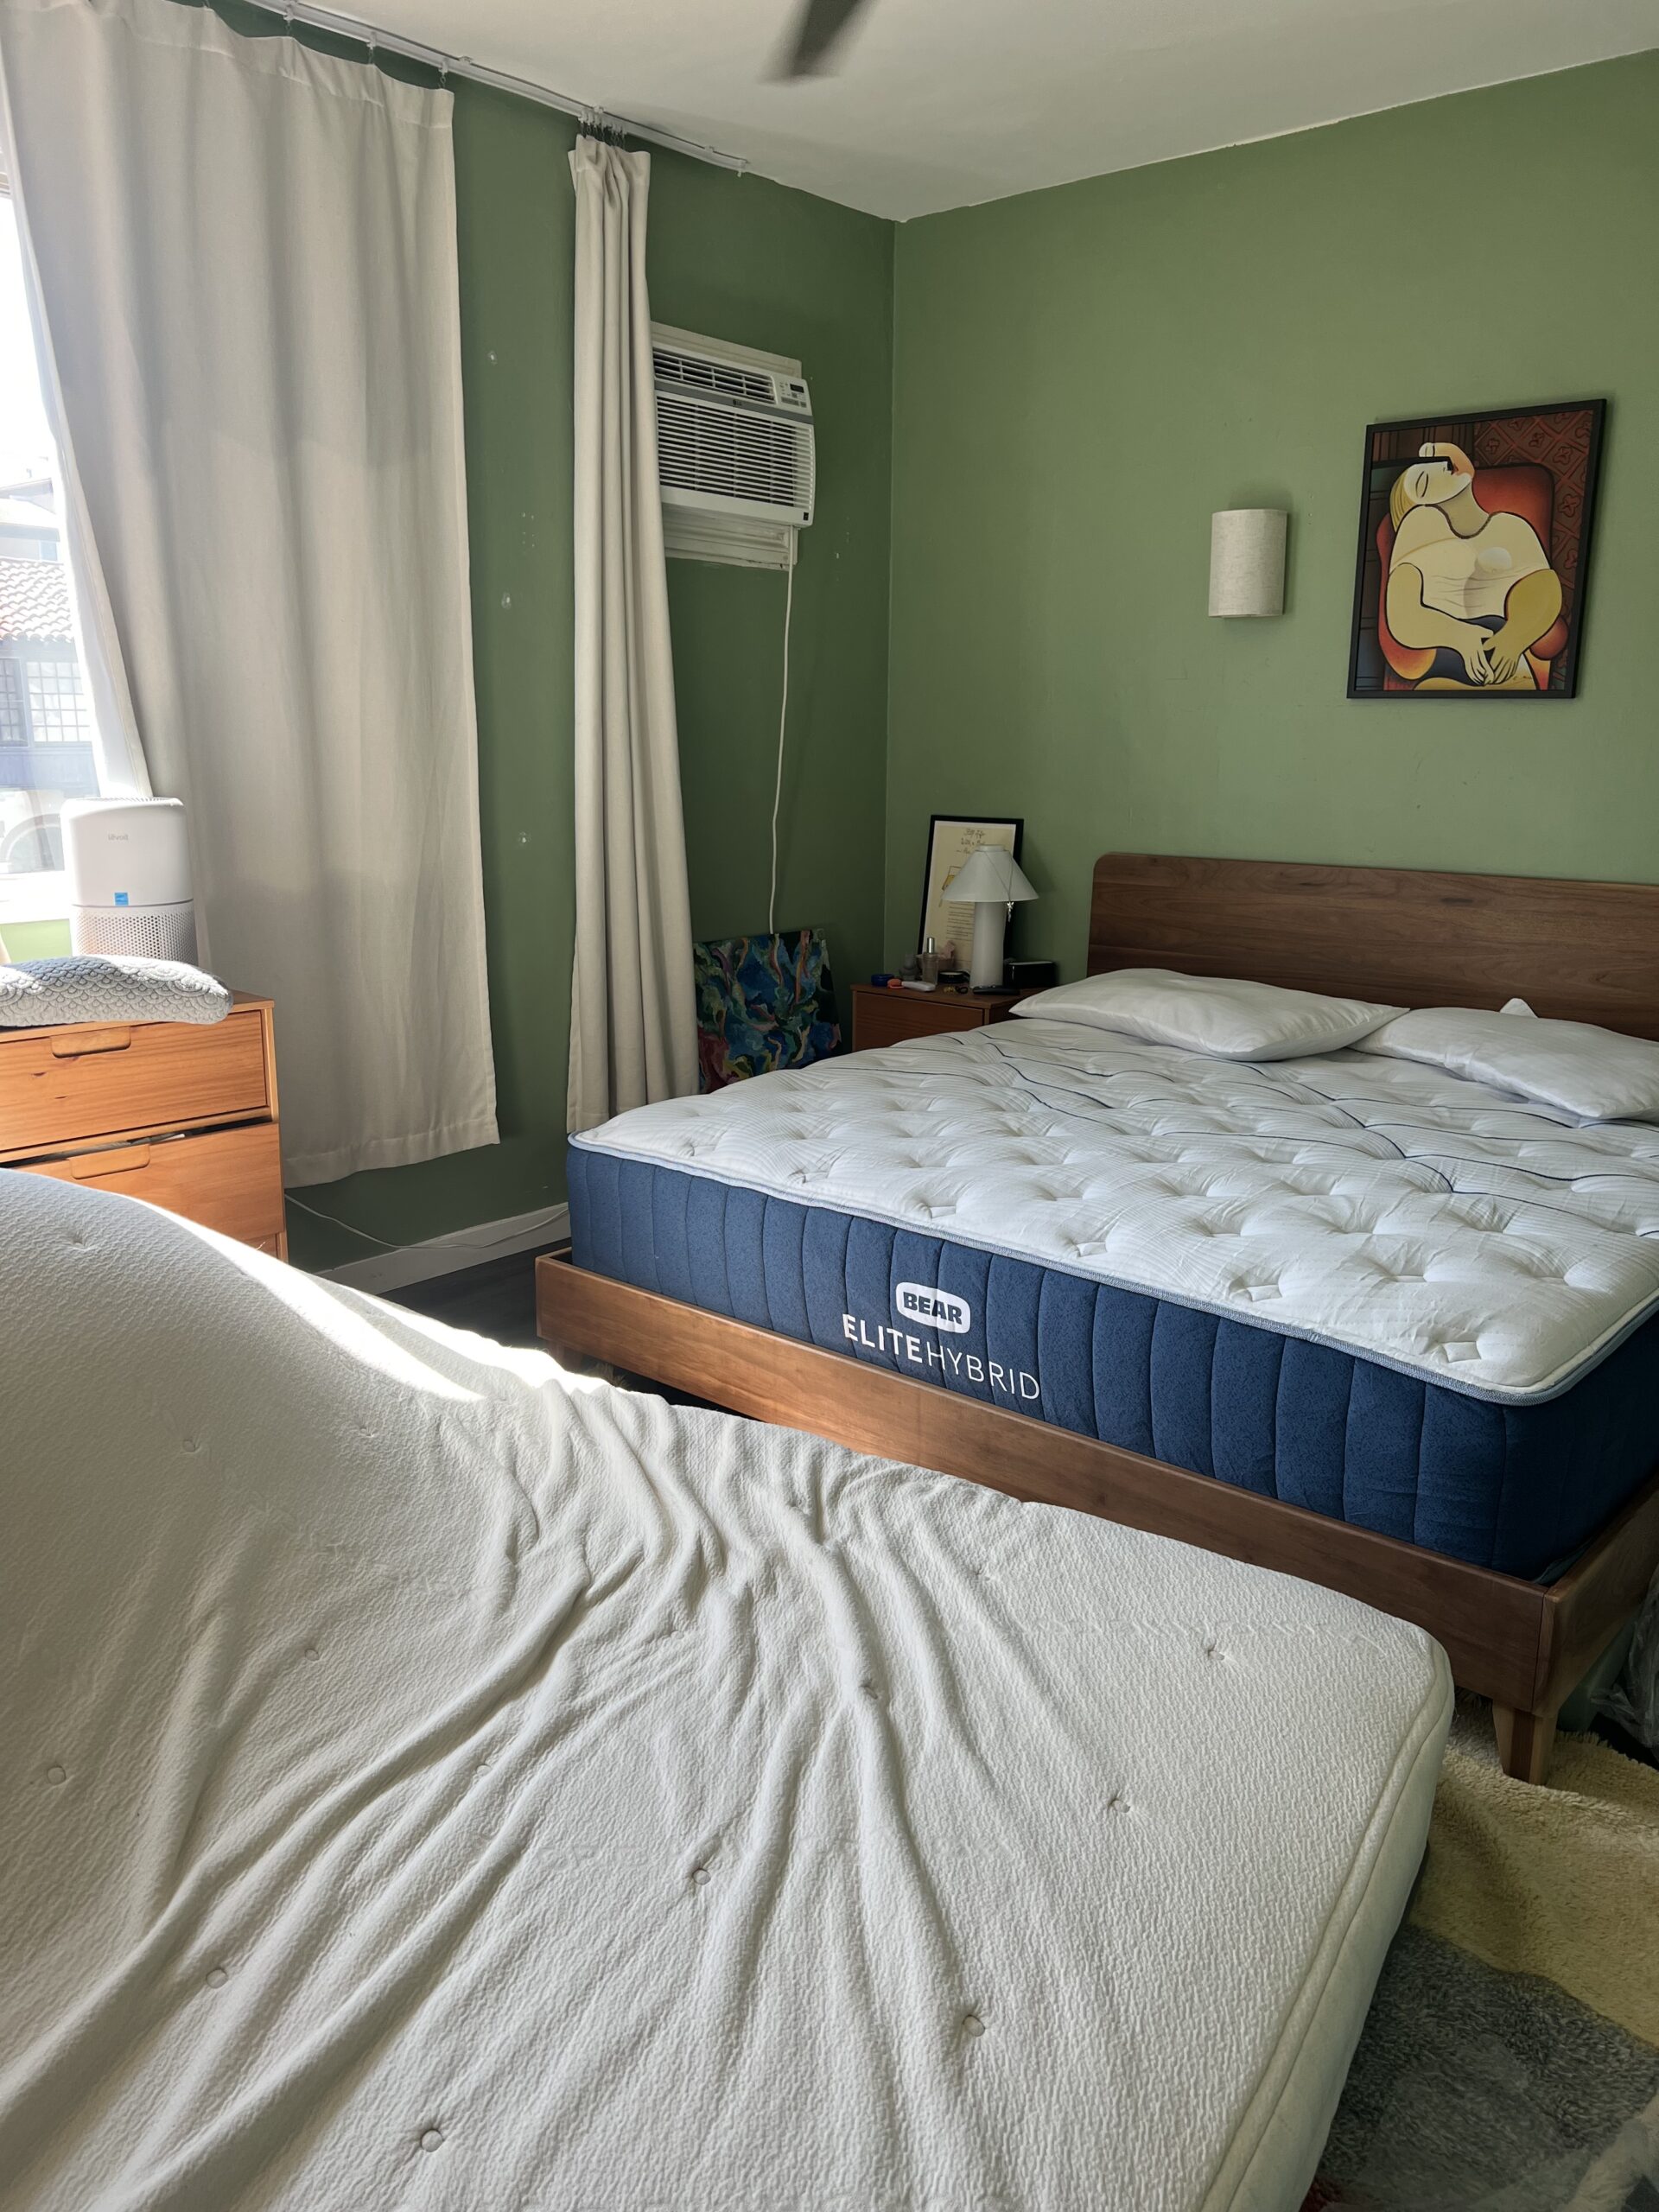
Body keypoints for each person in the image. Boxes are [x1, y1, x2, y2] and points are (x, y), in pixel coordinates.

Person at [1385, 442, 1563, 690]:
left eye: (1442, 463)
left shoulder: (1513, 526)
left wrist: (1515, 638)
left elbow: (1544, 588)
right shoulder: (1418, 526)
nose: (1440, 465)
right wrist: (1459, 636)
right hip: (1445, 676)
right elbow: (1402, 615)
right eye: (1424, 481)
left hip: (1512, 671)